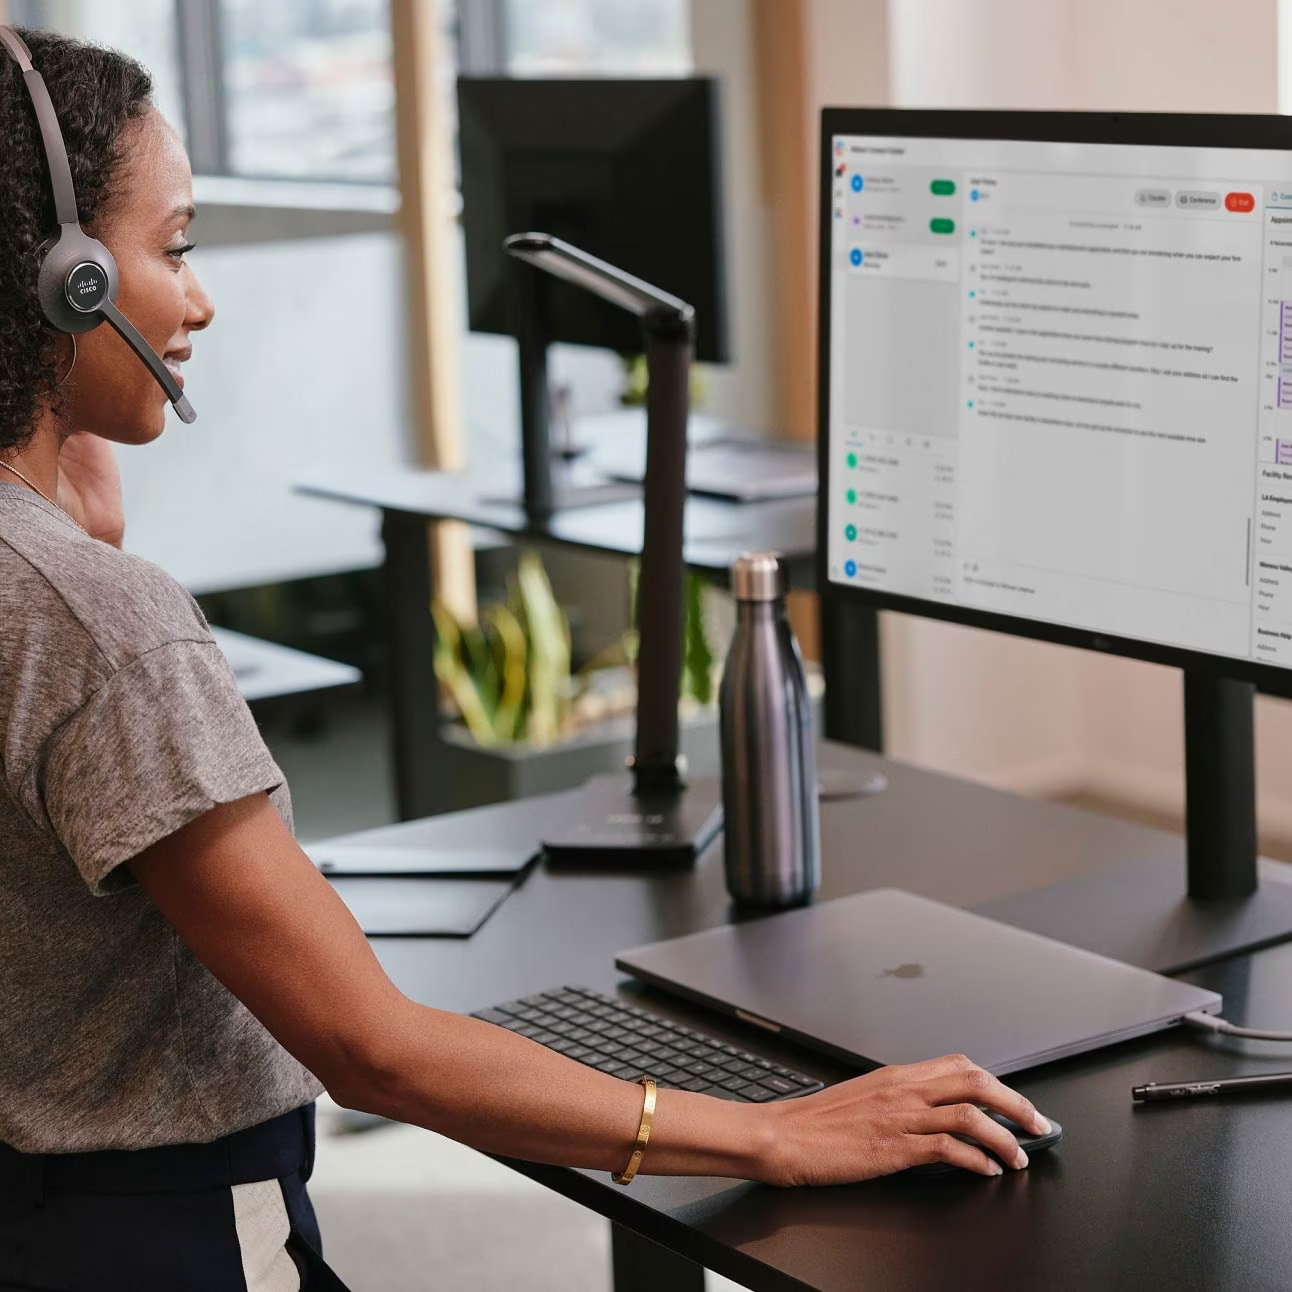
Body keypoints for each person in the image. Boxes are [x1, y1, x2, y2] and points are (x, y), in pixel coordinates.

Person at [0, 26, 1051, 1292]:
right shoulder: (102, 626)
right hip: (141, 1235)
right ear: (64, 282)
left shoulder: (46, 583)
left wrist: (57, 471)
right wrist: (770, 1132)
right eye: (173, 249)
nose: (201, 297)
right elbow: (372, 1049)